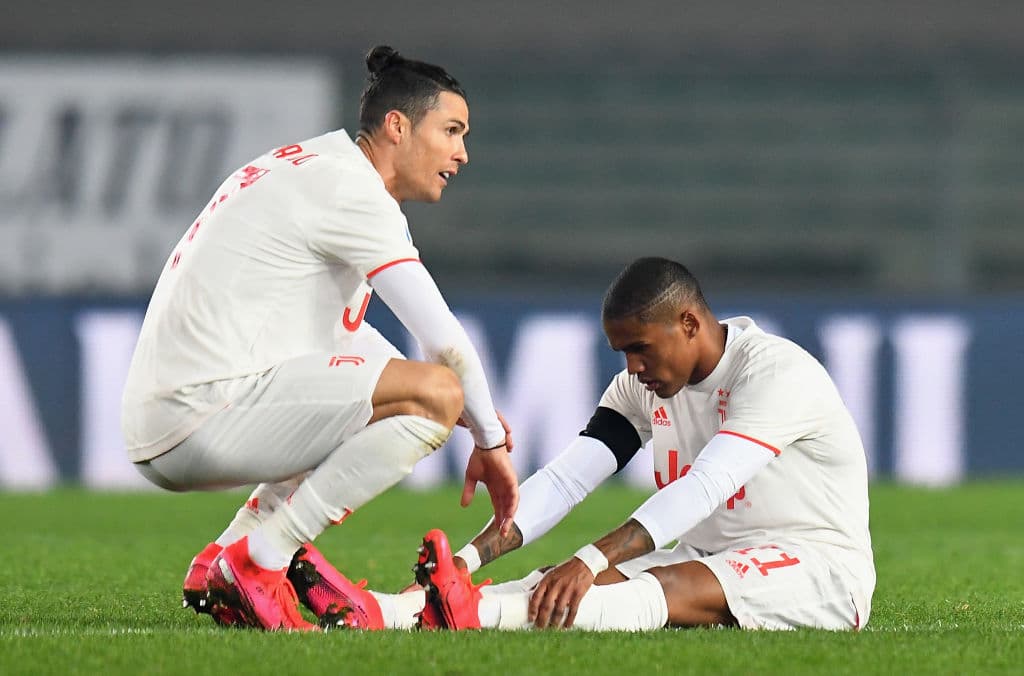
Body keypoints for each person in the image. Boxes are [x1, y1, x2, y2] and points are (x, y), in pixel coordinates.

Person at [121, 45, 518, 632]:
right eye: (452, 130)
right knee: (436, 393)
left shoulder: (309, 166)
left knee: (402, 398)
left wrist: (441, 401)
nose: (462, 153)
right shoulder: (352, 190)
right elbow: (444, 342)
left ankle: (221, 560)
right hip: (203, 413)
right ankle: (262, 561)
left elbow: (354, 349)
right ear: (397, 126)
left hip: (172, 413)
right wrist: (486, 435)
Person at [410, 256, 876, 632]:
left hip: (818, 566)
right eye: (623, 353)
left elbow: (704, 486)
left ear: (689, 323)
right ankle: (398, 611)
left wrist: (590, 559)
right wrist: (465, 563)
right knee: (550, 582)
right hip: (708, 558)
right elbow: (566, 481)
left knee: (657, 584)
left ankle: (473, 617)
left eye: (641, 348)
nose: (632, 367)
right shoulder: (641, 387)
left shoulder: (773, 373)